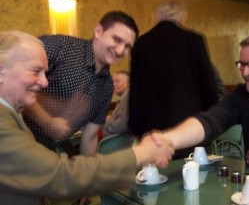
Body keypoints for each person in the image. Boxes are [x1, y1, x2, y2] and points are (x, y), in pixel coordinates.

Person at [0, 30, 174, 205]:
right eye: (35, 71)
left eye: (45, 73)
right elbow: (58, 175)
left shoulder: (104, 86)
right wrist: (141, 153)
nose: (45, 82)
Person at [153, 31, 249, 173]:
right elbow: (209, 122)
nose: (245, 73)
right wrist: (167, 140)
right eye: (242, 64)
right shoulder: (243, 95)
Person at [22, 11, 138, 157]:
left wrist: (89, 174)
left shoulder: (107, 86)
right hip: (16, 146)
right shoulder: (59, 46)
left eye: (127, 46)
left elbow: (90, 137)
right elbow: (14, 85)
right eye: (116, 39)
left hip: (49, 157)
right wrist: (48, 122)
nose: (121, 50)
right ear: (98, 31)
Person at [128, 0, 219, 159]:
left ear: (156, 17)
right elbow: (207, 83)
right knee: (193, 172)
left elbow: (135, 88)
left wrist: (135, 128)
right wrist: (212, 117)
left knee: (155, 175)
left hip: (151, 126)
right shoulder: (194, 40)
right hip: (188, 123)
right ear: (182, 18)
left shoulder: (141, 43)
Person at [103, 70, 130, 137]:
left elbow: (120, 127)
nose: (114, 84)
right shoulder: (124, 98)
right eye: (113, 81)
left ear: (129, 83)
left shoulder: (127, 99)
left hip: (117, 145)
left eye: (117, 81)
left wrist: (107, 119)